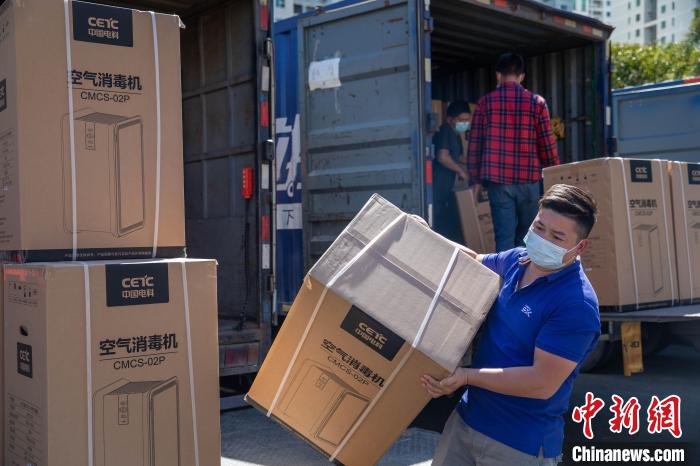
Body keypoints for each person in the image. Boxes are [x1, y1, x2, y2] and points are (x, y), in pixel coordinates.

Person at [422, 184, 600, 466]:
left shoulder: (575, 305)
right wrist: (425, 235)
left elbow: (541, 383)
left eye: (557, 237)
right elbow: (473, 261)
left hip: (518, 444)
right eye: (539, 227)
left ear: (580, 246)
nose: (543, 240)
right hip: (467, 420)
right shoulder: (518, 260)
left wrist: (467, 376)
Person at [468, 53, 560, 252]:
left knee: (504, 237)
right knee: (528, 236)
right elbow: (547, 144)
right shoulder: (537, 103)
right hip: (529, 181)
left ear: (498, 75)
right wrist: (553, 173)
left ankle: (505, 280)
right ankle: (526, 280)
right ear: (521, 76)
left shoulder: (485, 103)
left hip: (498, 183)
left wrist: (474, 179)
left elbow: (475, 145)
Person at [432, 100, 471, 243]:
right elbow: (443, 156)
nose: (465, 123)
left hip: (448, 187)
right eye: (461, 120)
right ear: (450, 119)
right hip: (439, 185)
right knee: (442, 224)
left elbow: (458, 156)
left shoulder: (455, 134)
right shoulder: (445, 131)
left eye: (467, 120)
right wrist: (461, 171)